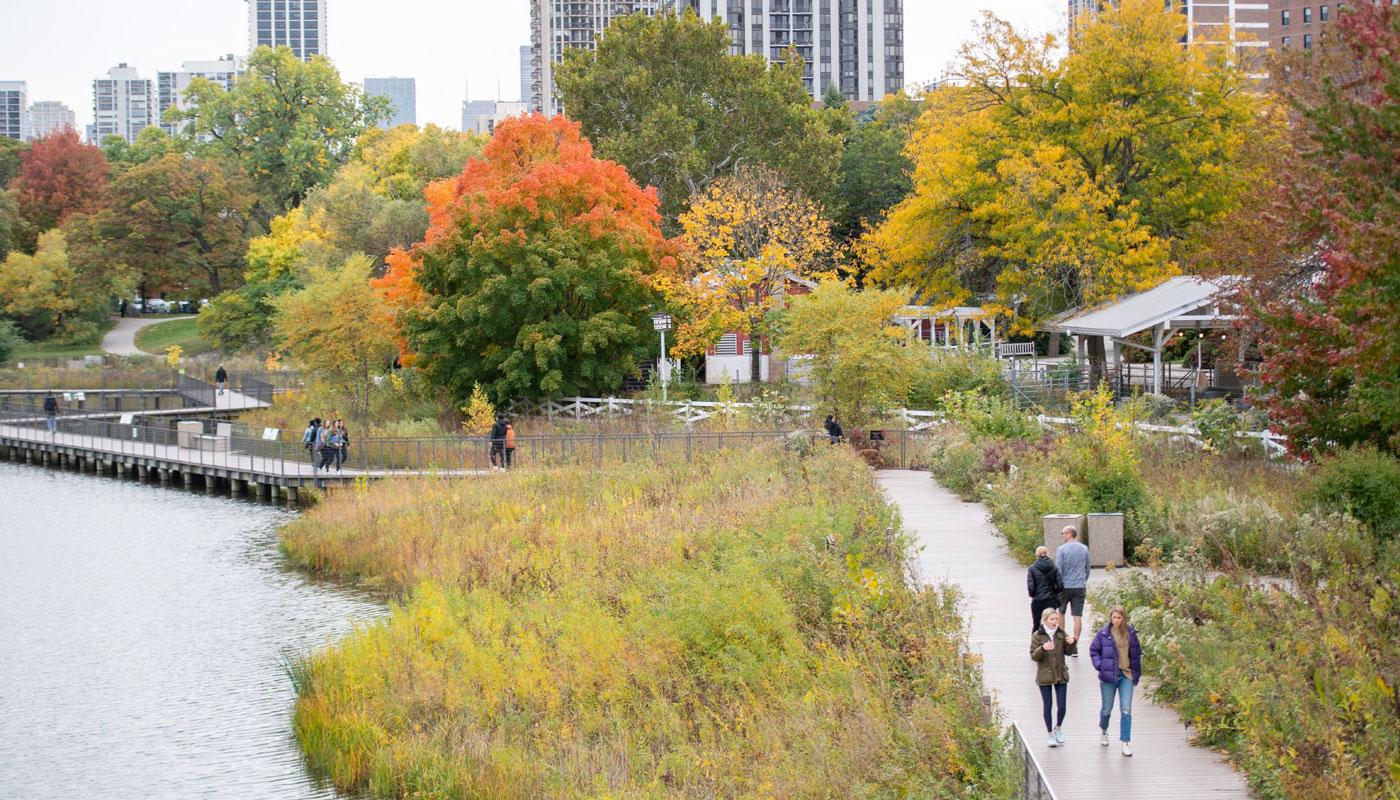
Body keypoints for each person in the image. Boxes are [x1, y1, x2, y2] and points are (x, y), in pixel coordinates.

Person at [1090, 605, 1142, 757]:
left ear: (1124, 618)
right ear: (1110, 618)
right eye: (1114, 618)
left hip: (1126, 675)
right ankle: (1104, 730)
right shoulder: (1104, 633)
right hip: (1109, 675)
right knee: (1107, 708)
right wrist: (1100, 665)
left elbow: (1136, 653)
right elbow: (1094, 650)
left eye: (1119, 618)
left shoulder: (1130, 632)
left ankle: (1125, 742)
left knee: (1126, 709)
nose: (1116, 620)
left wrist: (1136, 672)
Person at [1031, 607, 1077, 748]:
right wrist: (1043, 648)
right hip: (1045, 675)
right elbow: (1034, 655)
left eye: (1056, 619)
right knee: (1048, 705)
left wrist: (1072, 642)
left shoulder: (1061, 633)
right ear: (1045, 620)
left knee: (1062, 705)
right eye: (1052, 619)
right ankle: (1050, 733)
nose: (1055, 622)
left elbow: (1068, 652)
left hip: (1060, 674)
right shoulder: (1037, 636)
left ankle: (1058, 728)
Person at [1055, 525, 1091, 650]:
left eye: (1063, 533)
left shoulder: (1061, 550)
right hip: (1079, 586)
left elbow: (1058, 569)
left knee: (1061, 612)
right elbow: (1087, 568)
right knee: (1077, 616)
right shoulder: (1084, 548)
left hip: (1065, 586)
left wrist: (1057, 585)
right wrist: (1082, 580)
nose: (1062, 535)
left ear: (1069, 534)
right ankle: (1074, 644)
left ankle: (1062, 641)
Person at [1026, 545, 1062, 633]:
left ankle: (1036, 644)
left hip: (1038, 600)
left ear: (1037, 554)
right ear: (1047, 553)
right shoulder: (1054, 567)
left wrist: (1034, 594)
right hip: (1051, 599)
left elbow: (1031, 587)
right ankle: (1052, 643)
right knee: (1052, 623)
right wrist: (1054, 592)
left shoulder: (1032, 568)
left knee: (1037, 623)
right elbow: (1060, 585)